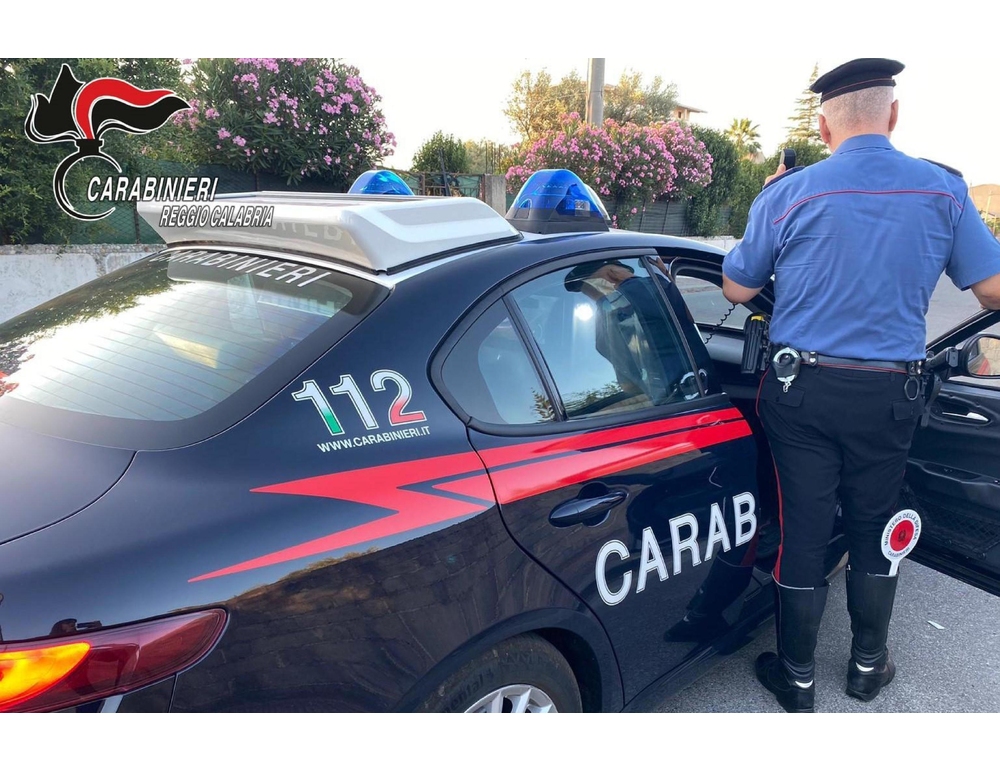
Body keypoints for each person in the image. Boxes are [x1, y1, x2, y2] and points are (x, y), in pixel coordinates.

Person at [721, 58, 1000, 713]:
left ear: (823, 128)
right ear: (893, 115)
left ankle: (796, 679)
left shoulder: (788, 193)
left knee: (804, 528)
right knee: (875, 525)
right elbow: (992, 290)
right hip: (889, 396)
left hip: (801, 392)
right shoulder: (944, 191)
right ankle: (868, 669)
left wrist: (770, 204)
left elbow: (734, 287)